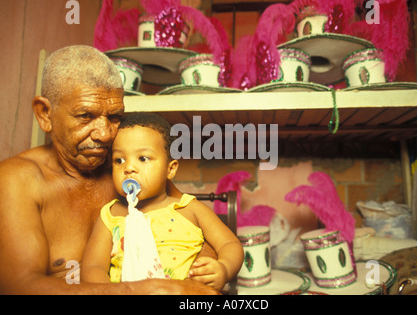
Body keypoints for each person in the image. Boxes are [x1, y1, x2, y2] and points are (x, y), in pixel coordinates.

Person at [0, 45, 218, 294]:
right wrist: (140, 291)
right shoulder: (16, 180)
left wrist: (202, 278)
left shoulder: (128, 167)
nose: (105, 135)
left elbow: (194, 231)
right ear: (45, 114)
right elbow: (20, 287)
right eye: (85, 115)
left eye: (114, 117)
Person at [81, 112, 243, 291]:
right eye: (119, 160)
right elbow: (92, 267)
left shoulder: (188, 208)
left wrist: (224, 268)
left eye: (143, 158)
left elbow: (230, 244)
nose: (129, 168)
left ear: (170, 169)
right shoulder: (111, 215)